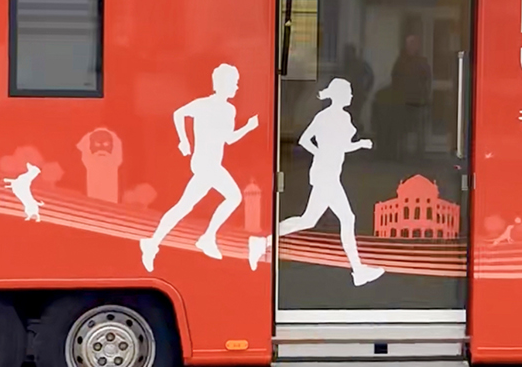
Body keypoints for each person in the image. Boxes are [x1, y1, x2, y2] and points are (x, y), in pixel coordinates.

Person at [249, 78, 384, 286]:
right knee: (347, 218)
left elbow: (335, 145)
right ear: (339, 95)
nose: (351, 96)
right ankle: (358, 271)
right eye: (348, 92)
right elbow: (309, 141)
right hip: (326, 175)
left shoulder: (339, 116)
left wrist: (355, 145)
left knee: (308, 220)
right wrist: (325, 152)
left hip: (328, 173)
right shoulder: (328, 117)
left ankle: (263, 242)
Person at [141, 64, 258, 271]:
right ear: (221, 84)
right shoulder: (203, 104)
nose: (237, 87)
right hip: (204, 163)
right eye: (234, 83)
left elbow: (228, 139)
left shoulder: (229, 109)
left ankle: (153, 242)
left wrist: (248, 127)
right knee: (233, 197)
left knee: (185, 206)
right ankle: (207, 237)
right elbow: (179, 113)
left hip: (212, 163)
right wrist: (184, 140)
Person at [390, 34, 433, 155]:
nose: (412, 47)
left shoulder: (421, 61)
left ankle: (419, 154)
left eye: (414, 44)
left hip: (419, 100)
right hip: (403, 100)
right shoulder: (401, 61)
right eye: (410, 44)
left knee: (420, 129)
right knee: (403, 128)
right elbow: (395, 78)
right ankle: (402, 153)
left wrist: (426, 94)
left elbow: (427, 78)